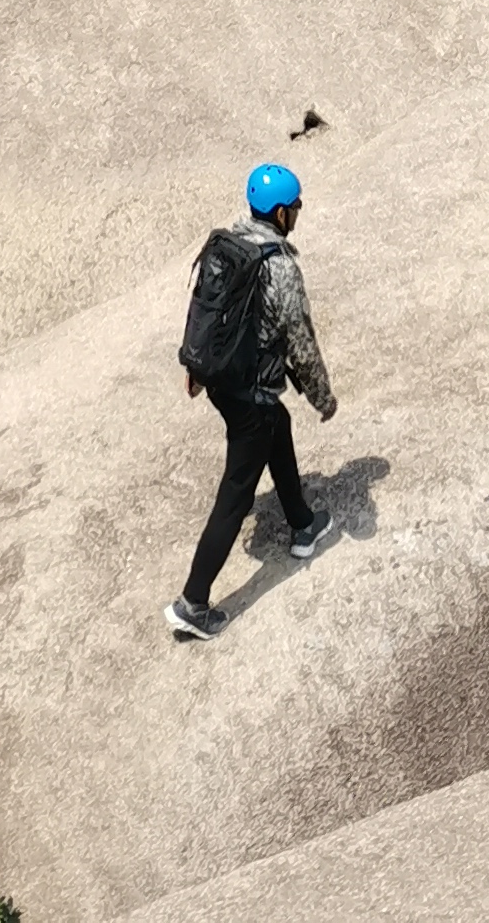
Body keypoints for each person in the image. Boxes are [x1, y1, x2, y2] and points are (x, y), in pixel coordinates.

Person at [165, 163, 335, 637]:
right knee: (236, 492)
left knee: (276, 423)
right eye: (297, 206)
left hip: (222, 382)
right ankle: (192, 603)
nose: (299, 213)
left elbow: (203, 309)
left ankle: (303, 523)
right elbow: (302, 343)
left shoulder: (227, 247)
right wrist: (323, 398)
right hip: (249, 393)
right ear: (281, 213)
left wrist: (195, 369)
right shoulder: (279, 268)